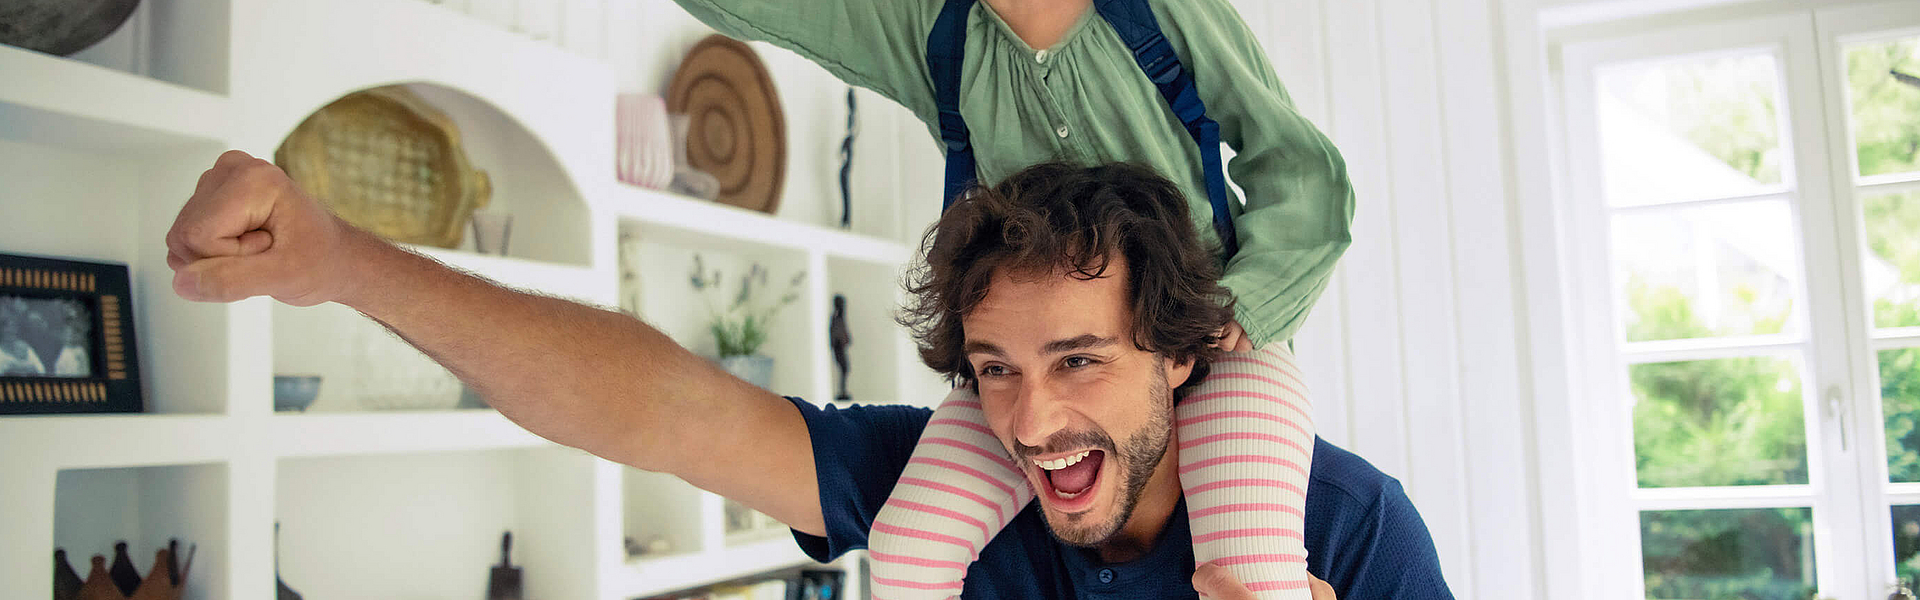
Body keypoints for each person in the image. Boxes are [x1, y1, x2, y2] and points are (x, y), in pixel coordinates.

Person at [164, 155, 1453, 598]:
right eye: (994, 369)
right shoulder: (949, 489)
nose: (1033, 418)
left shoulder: (1345, 532)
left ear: (1180, 352)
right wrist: (338, 260)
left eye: (1080, 361)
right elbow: (657, 408)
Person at [667, 0, 1350, 595]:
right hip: (1029, 363)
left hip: (1218, 348)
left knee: (1253, 576)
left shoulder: (1159, 11)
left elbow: (1301, 167)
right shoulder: (934, 31)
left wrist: (1247, 305)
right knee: (907, 551)